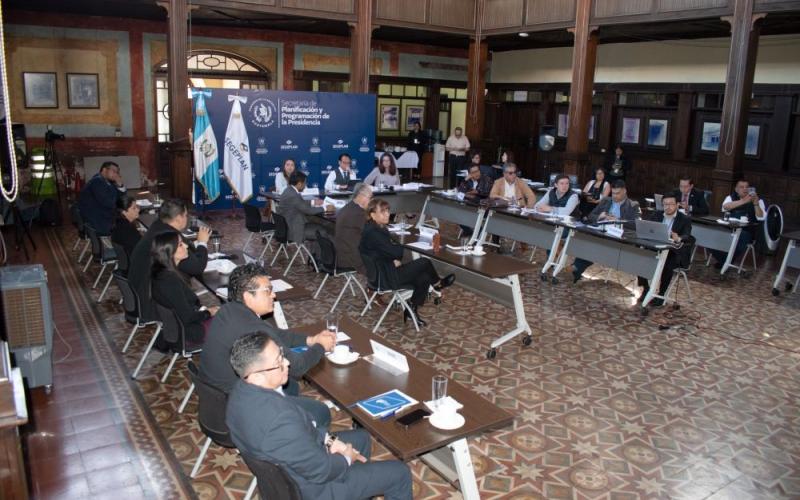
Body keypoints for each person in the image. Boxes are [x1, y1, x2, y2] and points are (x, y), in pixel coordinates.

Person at [226, 333, 413, 500]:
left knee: (361, 437)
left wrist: (329, 440)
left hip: (290, 469)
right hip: (312, 489)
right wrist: (346, 458)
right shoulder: (279, 419)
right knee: (400, 473)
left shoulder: (240, 393)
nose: (287, 363)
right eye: (278, 362)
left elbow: (301, 427)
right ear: (257, 376)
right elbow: (321, 471)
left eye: (282, 355)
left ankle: (359, 489)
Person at [200, 263, 335, 428]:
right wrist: (321, 346)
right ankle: (300, 440)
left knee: (289, 384)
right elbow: (297, 366)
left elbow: (275, 335)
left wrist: (310, 340)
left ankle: (290, 421)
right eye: (268, 291)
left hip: (214, 397)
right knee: (321, 412)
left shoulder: (228, 310)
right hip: (236, 408)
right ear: (248, 296)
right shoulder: (254, 327)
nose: (274, 295)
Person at [359, 198, 455, 326]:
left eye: (387, 210)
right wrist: (401, 244)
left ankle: (411, 309)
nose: (387, 214)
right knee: (424, 262)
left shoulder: (374, 228)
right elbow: (396, 252)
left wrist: (393, 254)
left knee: (424, 277)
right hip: (385, 277)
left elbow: (383, 252)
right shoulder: (374, 232)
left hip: (382, 272)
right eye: (382, 212)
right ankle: (438, 283)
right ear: (372, 214)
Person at [128, 198, 211, 322]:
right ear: (178, 218)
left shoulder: (158, 227)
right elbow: (196, 267)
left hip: (138, 292)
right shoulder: (168, 238)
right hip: (150, 302)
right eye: (186, 215)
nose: (187, 218)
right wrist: (202, 243)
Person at [150, 232, 218, 345]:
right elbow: (188, 317)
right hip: (190, 331)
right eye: (181, 244)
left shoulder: (160, 271)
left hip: (178, 327)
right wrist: (209, 312)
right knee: (233, 322)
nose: (186, 246)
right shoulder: (169, 280)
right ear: (170, 252)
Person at [572, 181, 641, 283]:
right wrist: (600, 216)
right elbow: (591, 216)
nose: (614, 196)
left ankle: (576, 268)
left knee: (596, 245)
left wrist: (617, 219)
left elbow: (637, 224)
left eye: (618, 193)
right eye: (613, 193)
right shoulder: (606, 201)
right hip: (601, 232)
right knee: (589, 241)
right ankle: (576, 269)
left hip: (618, 238)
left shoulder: (633, 205)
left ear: (625, 191)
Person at [637, 193, 693, 307]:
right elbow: (648, 228)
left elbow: (688, 236)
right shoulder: (657, 215)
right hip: (656, 247)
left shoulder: (684, 219)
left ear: (677, 205)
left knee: (668, 263)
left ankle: (661, 295)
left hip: (673, 251)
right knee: (640, 257)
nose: (668, 207)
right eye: (665, 204)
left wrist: (679, 238)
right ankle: (646, 289)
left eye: (671, 204)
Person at [709, 179, 766, 268]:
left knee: (741, 237)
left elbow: (761, 217)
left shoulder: (759, 200)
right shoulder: (731, 197)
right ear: (736, 189)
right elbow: (725, 207)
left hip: (747, 231)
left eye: (747, 187)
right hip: (729, 228)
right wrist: (743, 201)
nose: (745, 189)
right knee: (711, 235)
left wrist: (756, 204)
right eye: (741, 187)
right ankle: (725, 261)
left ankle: (725, 262)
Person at [278, 171, 333, 258]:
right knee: (322, 231)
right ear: (299, 184)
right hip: (294, 230)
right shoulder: (293, 195)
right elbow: (308, 211)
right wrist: (325, 208)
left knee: (318, 224)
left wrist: (313, 202)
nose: (305, 185)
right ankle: (321, 259)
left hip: (287, 226)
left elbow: (298, 203)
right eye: (305, 183)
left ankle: (315, 256)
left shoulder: (289, 190)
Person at [78, 161, 127, 235]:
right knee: (127, 224)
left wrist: (120, 184)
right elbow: (108, 203)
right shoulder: (97, 181)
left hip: (101, 214)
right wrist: (122, 209)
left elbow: (119, 196)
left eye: (117, 172)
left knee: (127, 217)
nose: (116, 174)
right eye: (114, 171)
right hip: (98, 220)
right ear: (104, 170)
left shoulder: (106, 181)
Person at [334, 183, 372, 274]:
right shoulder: (358, 214)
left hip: (341, 255)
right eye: (370, 197)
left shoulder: (348, 207)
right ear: (362, 196)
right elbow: (372, 233)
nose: (371, 201)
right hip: (351, 259)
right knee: (394, 254)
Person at [111, 195, 142, 260]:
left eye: (137, 207)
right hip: (137, 262)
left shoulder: (119, 223)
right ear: (124, 212)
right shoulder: (127, 229)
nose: (138, 209)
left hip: (128, 260)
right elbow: (140, 248)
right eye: (134, 208)